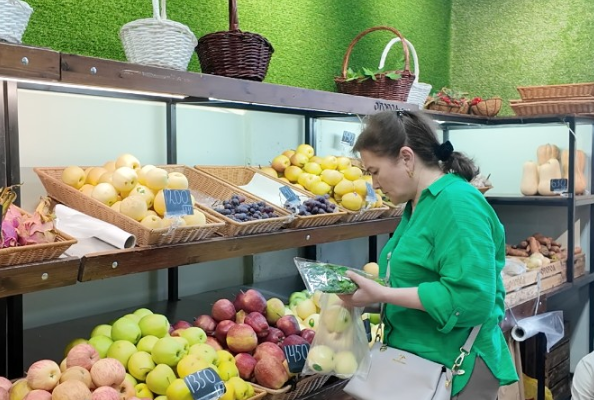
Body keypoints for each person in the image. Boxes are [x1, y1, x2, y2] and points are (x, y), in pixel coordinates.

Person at [339, 110, 518, 400]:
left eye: (375, 171)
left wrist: (383, 294)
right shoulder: (418, 205)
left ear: (406, 158)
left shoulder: (457, 204)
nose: (374, 184)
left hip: (454, 370)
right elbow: (417, 282)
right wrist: (367, 296)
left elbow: (471, 299)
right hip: (417, 365)